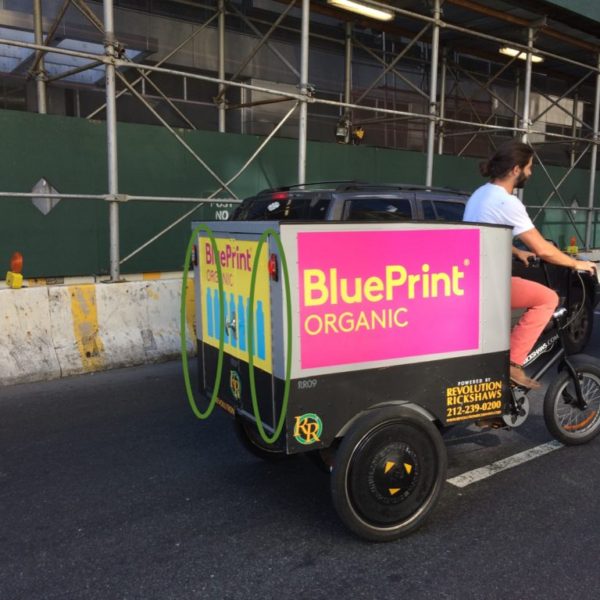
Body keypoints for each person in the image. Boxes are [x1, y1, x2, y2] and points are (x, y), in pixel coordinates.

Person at [464, 140, 596, 389]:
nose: (531, 172)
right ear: (516, 169)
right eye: (529, 167)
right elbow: (543, 248)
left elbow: (483, 233)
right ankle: (513, 364)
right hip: (488, 283)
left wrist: (515, 251)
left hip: (472, 276)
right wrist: (575, 263)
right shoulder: (507, 202)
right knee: (547, 299)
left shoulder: (481, 193)